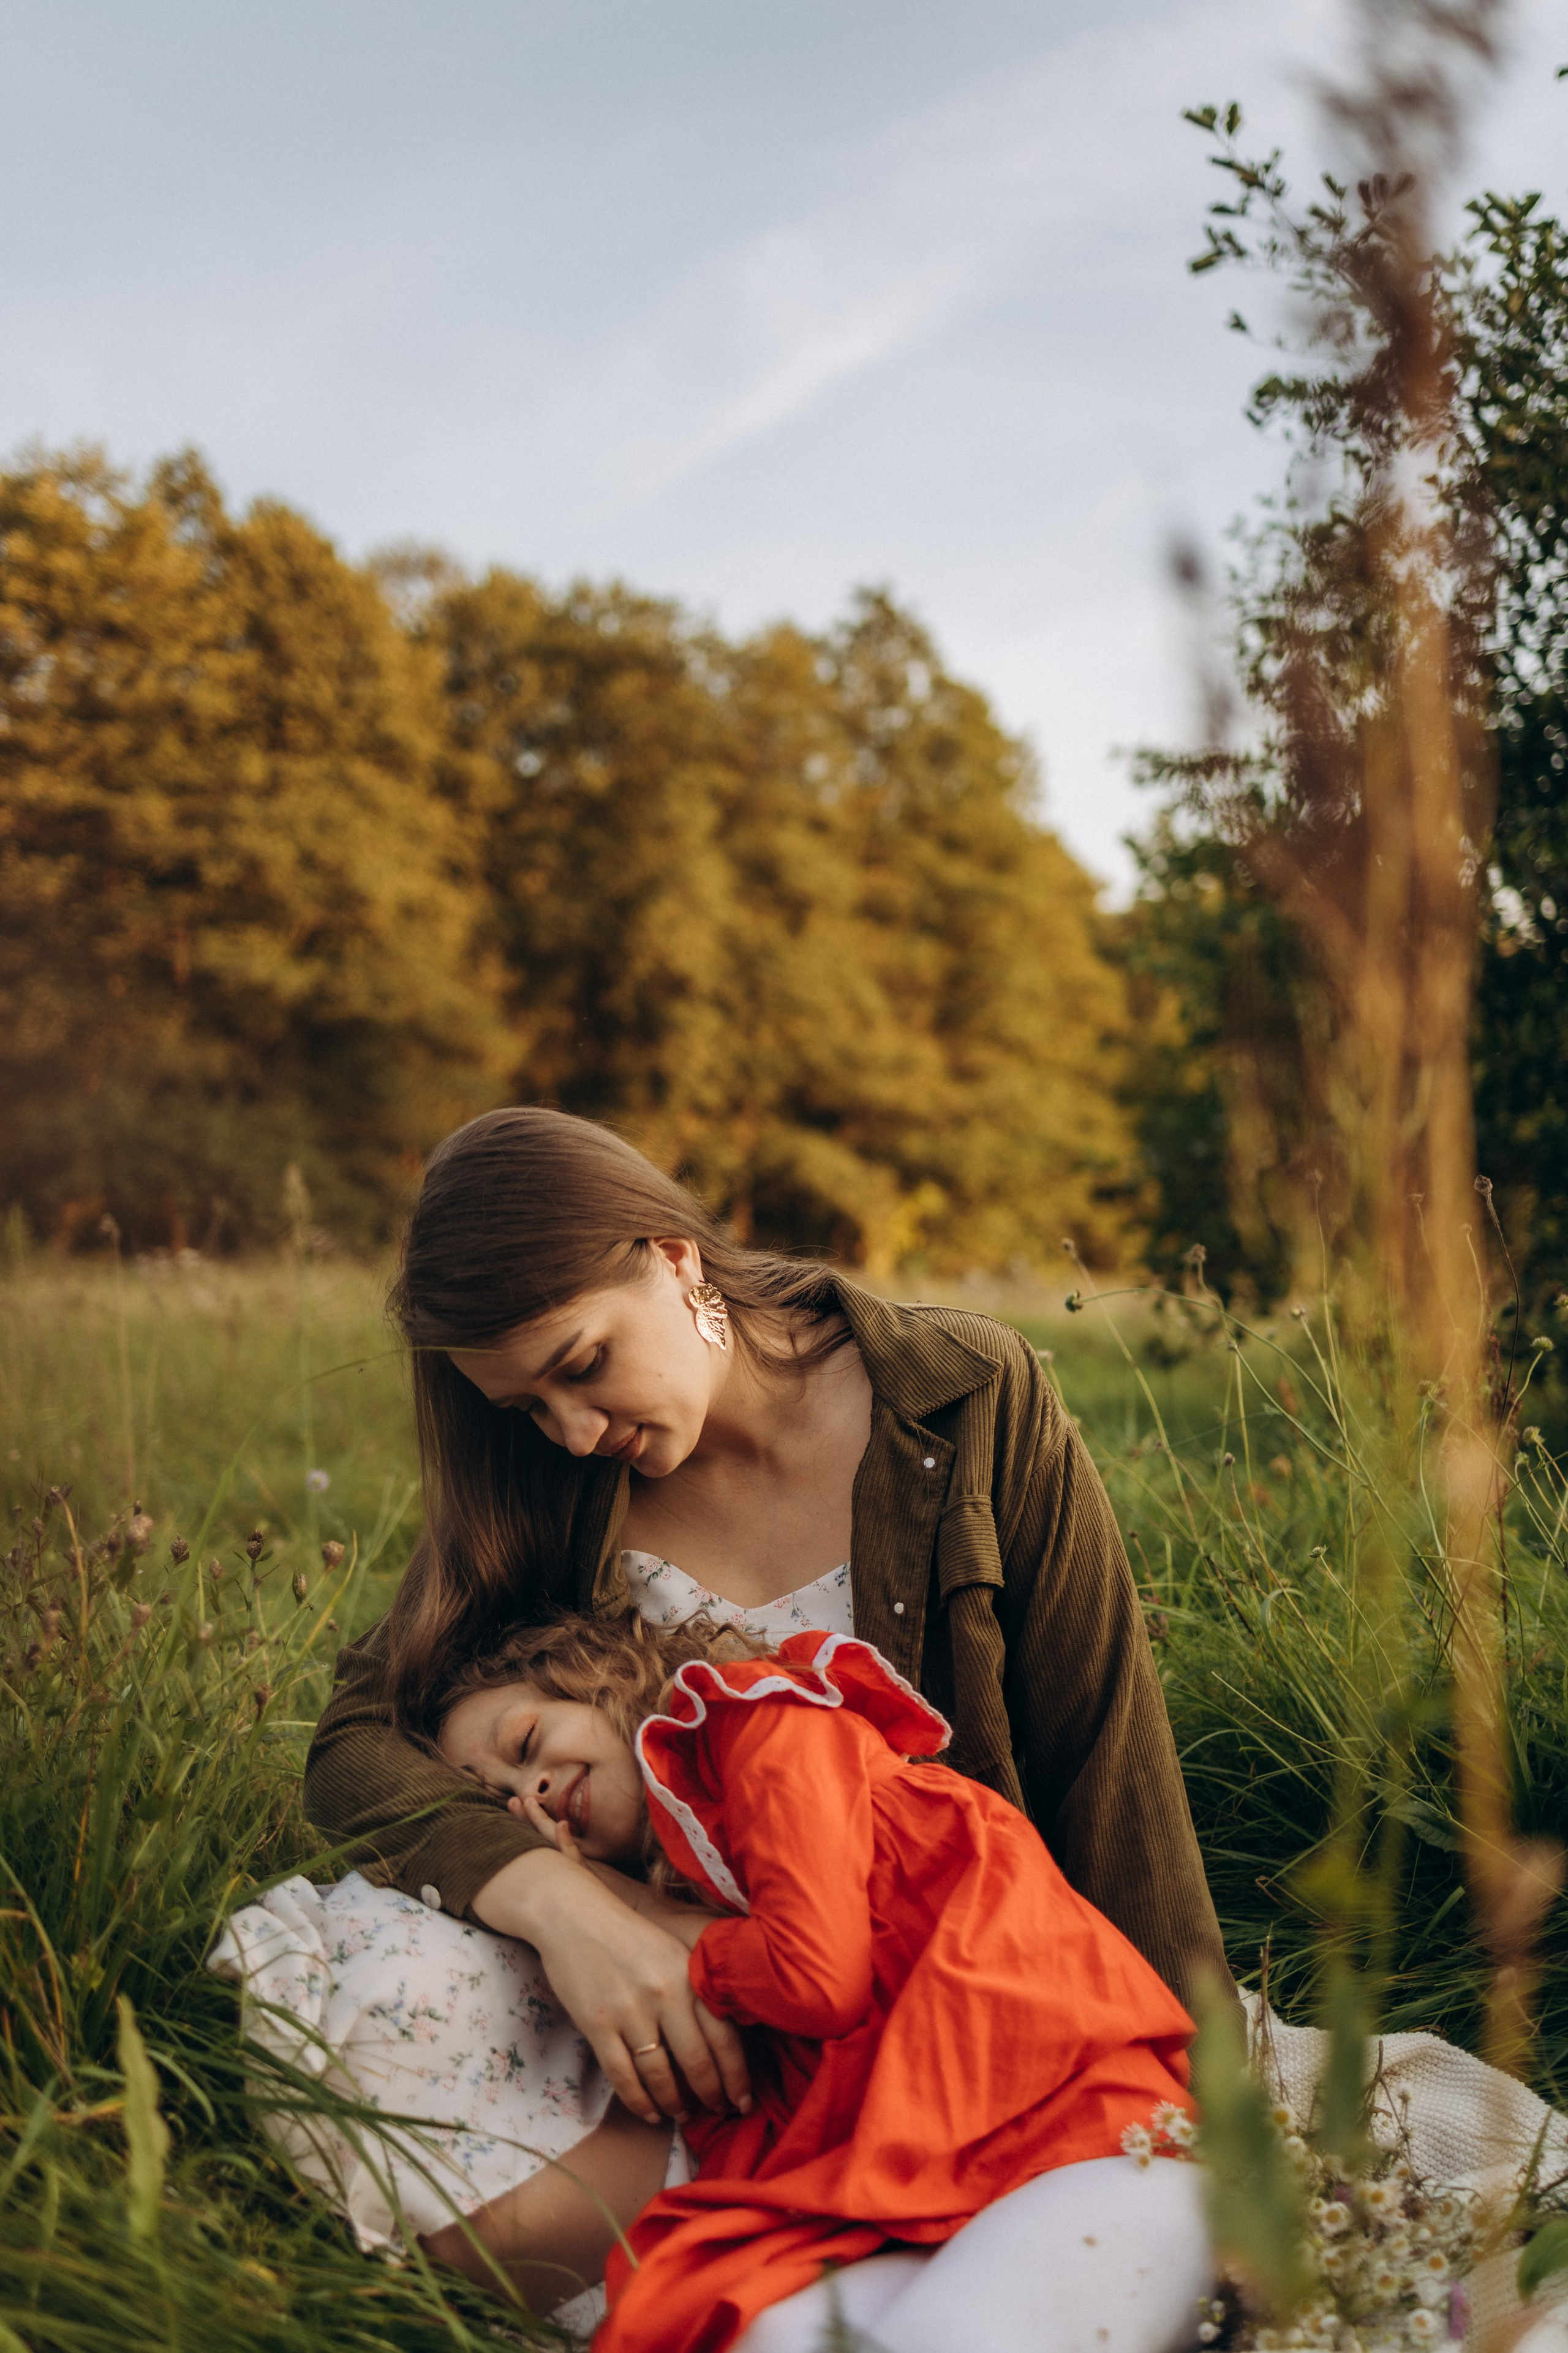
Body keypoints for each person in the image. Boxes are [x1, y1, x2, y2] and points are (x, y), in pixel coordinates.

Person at [296, 1104, 1227, 2304]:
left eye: (581, 1366)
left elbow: (1109, 1772)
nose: (573, 1432)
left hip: (953, 2008)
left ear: (673, 1257)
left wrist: (1209, 2121)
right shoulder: (546, 1487)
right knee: (337, 1978)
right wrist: (569, 1909)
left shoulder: (963, 1399)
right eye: (526, 1406)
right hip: (721, 2038)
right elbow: (353, 1744)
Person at [422, 1609, 1210, 2353]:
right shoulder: (692, 1880)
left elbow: (816, 1979)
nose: (533, 1794)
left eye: (527, 1743)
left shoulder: (756, 1721)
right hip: (913, 2168)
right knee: (754, 2325)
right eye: (506, 1802)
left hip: (1057, 2107)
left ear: (595, 1676)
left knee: (959, 2331)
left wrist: (614, 1901)